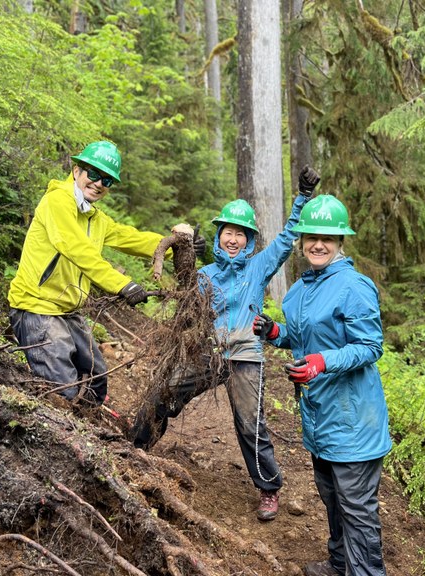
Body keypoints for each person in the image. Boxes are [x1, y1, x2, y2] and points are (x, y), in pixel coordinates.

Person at [130, 166, 321, 521]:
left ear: (249, 240)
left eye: (241, 234)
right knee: (165, 391)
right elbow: (187, 305)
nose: (233, 239)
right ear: (219, 237)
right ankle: (134, 448)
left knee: (250, 424)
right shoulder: (206, 275)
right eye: (227, 232)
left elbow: (287, 237)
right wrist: (185, 258)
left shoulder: (258, 267)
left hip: (246, 355)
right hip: (209, 353)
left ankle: (269, 488)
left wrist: (303, 198)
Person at [253, 194, 392, 576]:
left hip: (353, 421)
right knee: (333, 502)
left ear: (340, 242)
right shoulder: (299, 290)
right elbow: (301, 338)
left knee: (357, 510)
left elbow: (369, 346)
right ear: (301, 240)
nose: (318, 243)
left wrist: (323, 361)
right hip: (319, 419)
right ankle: (338, 566)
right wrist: (276, 331)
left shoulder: (354, 286)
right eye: (311, 236)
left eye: (327, 238)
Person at [8, 141, 205, 406]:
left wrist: (175, 245)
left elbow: (130, 238)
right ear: (77, 170)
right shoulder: (57, 201)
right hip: (37, 308)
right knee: (63, 390)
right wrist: (121, 284)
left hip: (67, 312)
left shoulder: (95, 218)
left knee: (96, 380)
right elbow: (75, 248)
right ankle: (70, 434)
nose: (99, 183)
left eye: (107, 180)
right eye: (94, 174)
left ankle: (92, 428)